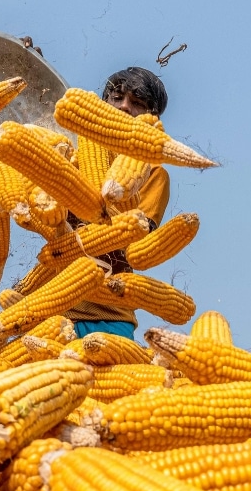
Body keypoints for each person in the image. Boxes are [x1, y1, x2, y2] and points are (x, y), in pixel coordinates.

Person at [64, 67, 171, 340]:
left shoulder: (153, 174)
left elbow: (138, 245)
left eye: (137, 103)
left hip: (110, 315)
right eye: (116, 98)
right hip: (54, 307)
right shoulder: (71, 153)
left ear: (152, 117)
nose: (124, 107)